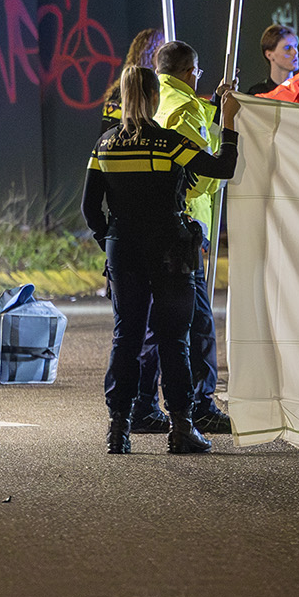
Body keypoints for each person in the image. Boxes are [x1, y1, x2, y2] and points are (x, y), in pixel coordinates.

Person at [83, 65, 241, 455]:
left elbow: (90, 209)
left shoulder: (104, 146)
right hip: (170, 250)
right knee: (174, 340)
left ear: (123, 96)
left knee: (127, 337)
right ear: (155, 98)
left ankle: (118, 430)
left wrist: (112, 241)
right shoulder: (170, 143)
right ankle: (182, 428)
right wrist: (230, 120)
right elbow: (223, 167)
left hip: (124, 249)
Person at [115, 41, 233, 437]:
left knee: (147, 326)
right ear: (189, 70)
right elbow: (201, 177)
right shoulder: (184, 109)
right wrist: (225, 128)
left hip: (137, 237)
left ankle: (142, 408)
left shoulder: (158, 106)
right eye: (197, 72)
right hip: (181, 232)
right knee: (194, 325)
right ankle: (197, 406)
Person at [101, 28, 164, 127]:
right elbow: (107, 129)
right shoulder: (120, 92)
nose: (165, 58)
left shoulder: (160, 86)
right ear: (150, 53)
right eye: (161, 51)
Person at [245, 23, 299, 95]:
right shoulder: (257, 94)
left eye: (295, 46)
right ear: (269, 55)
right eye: (287, 48)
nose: (295, 52)